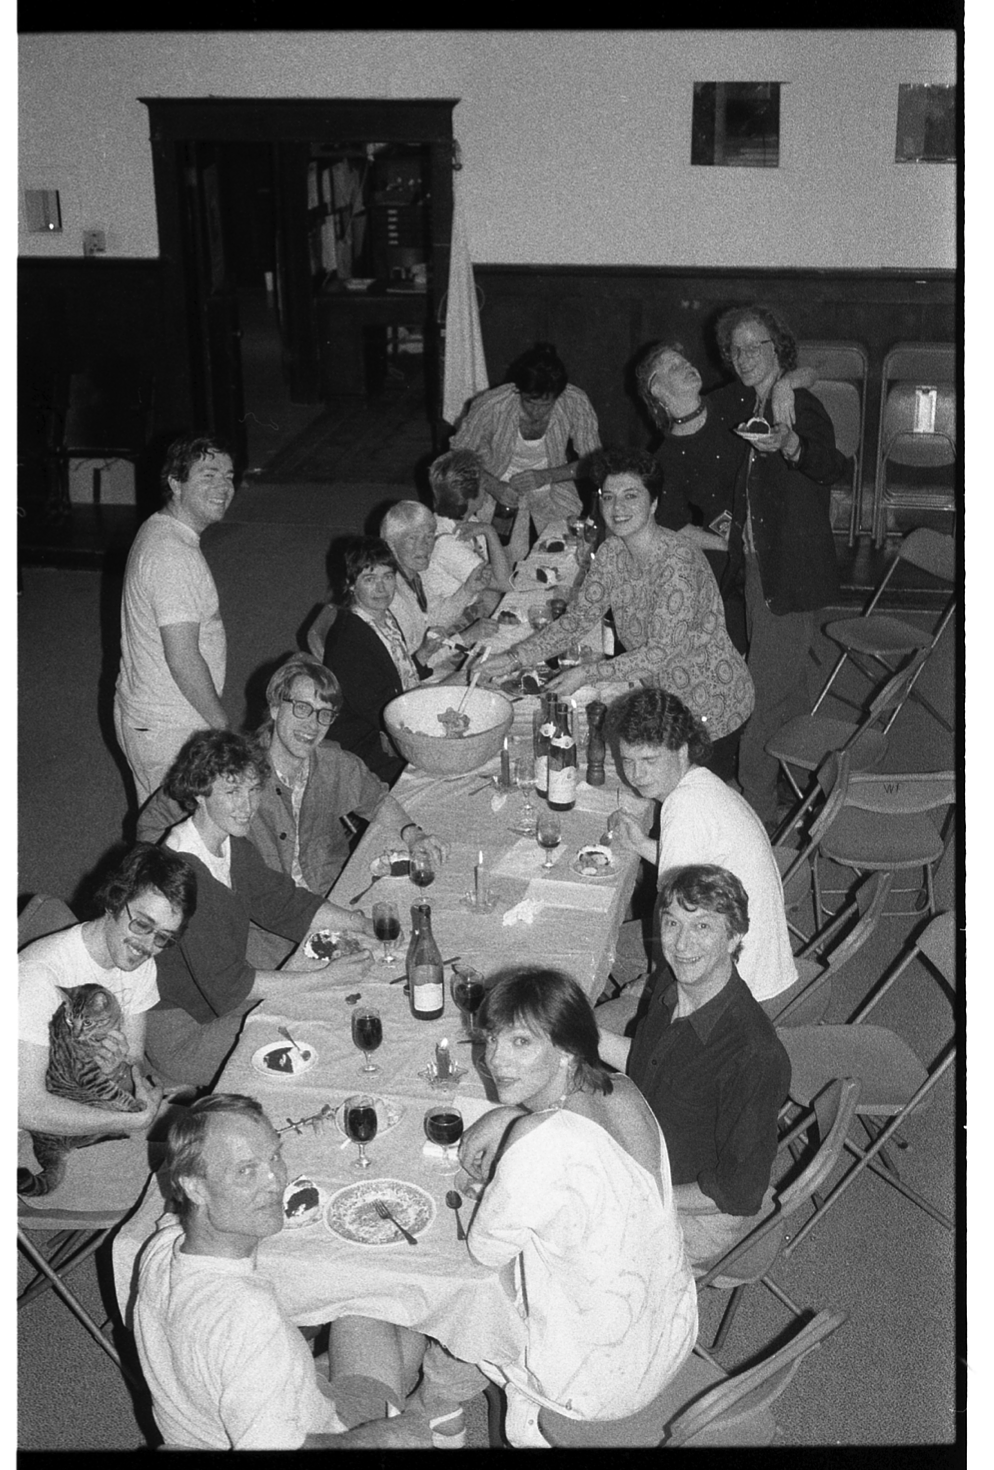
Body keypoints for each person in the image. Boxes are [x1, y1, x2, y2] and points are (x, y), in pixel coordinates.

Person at [458, 967, 697, 1448]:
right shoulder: (624, 1089)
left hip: (596, 1387)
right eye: (492, 1040)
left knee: (460, 1296)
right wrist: (511, 1113)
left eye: (521, 1043)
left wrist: (487, 1179)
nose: (494, 1060)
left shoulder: (538, 1142)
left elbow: (483, 1252)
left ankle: (439, 1411)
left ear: (567, 1049)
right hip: (667, 1336)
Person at [132, 1094, 429, 1450]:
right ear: (195, 1187)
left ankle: (426, 1401)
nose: (275, 1180)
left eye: (273, 1156)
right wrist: (390, 1435)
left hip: (206, 1421)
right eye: (246, 1170)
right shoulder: (248, 1315)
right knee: (403, 1316)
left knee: (374, 1310)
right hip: (311, 1434)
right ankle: (437, 1407)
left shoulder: (162, 1246)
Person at [483, 447, 754, 780]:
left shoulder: (678, 563)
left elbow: (660, 652)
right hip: (668, 699)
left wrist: (588, 673)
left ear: (654, 502)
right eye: (608, 497)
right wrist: (514, 658)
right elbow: (576, 621)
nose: (617, 508)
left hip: (712, 703)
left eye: (630, 496)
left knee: (696, 799)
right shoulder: (612, 552)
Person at [146, 731, 373, 1089]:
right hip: (188, 1032)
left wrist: (363, 924)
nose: (247, 805)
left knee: (324, 1007)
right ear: (200, 795)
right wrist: (327, 977)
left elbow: (283, 902)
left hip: (220, 1003)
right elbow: (229, 985)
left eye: (253, 791)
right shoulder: (182, 876)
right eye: (232, 792)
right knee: (316, 1038)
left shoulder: (230, 844)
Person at [597, 866, 791, 1273]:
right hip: (650, 1148)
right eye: (672, 923)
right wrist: (578, 1034)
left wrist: (646, 1190)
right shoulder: (674, 982)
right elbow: (652, 1062)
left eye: (702, 926)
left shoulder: (754, 1055)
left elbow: (736, 1193)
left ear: (734, 936)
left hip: (696, 1212)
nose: (682, 944)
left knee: (564, 1249)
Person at [138, 654, 447, 897]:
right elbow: (152, 825)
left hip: (332, 896)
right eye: (301, 708)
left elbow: (377, 800)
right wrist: (196, 886)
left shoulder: (334, 764)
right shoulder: (231, 768)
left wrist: (413, 834)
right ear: (275, 707)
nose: (312, 725)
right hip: (265, 924)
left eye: (324, 714)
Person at [714, 305, 848, 827]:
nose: (744, 357)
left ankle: (756, 819)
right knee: (789, 694)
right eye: (736, 349)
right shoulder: (753, 401)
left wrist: (792, 444)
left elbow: (833, 466)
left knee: (759, 700)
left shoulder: (798, 404)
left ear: (778, 350)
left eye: (756, 347)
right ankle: (809, 798)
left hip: (787, 577)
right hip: (758, 570)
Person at [601, 687, 800, 1017]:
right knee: (615, 942)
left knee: (608, 953)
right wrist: (638, 843)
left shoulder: (684, 807)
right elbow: (691, 866)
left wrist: (653, 981)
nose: (636, 775)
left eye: (649, 760)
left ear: (680, 750)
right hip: (761, 960)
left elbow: (675, 918)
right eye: (628, 761)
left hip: (737, 989)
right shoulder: (702, 784)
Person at [18, 844, 197, 1211]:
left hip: (95, 1111)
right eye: (142, 925)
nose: (147, 946)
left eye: (163, 937)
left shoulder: (140, 966)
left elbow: (135, 1060)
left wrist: (121, 1069)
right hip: (32, 1146)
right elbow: (24, 1108)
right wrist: (130, 1118)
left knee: (218, 1129)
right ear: (115, 900)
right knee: (202, 1179)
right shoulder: (39, 975)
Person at [635, 339, 814, 659]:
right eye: (674, 367)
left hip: (778, 530)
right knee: (727, 640)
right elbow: (671, 524)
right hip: (732, 548)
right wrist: (729, 543)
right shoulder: (666, 457)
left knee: (777, 646)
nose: (688, 366)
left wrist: (785, 385)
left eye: (685, 361)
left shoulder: (734, 398)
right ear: (658, 391)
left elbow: (813, 372)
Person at [114, 433, 235, 804]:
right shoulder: (172, 555)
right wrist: (221, 726)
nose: (224, 487)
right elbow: (182, 656)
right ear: (175, 483)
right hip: (170, 726)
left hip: (156, 716)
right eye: (208, 476)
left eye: (229, 477)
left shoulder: (163, 531)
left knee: (165, 835)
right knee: (174, 841)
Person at [450, 341, 599, 562]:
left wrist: (547, 476)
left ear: (559, 395)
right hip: (498, 487)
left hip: (552, 482)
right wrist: (493, 486)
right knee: (505, 556)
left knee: (566, 550)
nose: (537, 412)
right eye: (530, 402)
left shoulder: (575, 401)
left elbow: (594, 462)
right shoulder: (493, 405)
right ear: (518, 390)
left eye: (546, 405)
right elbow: (457, 456)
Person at [320, 536, 424, 783]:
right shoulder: (350, 640)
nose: (382, 588)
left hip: (397, 714)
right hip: (370, 745)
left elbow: (397, 674)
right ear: (351, 584)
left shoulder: (383, 617)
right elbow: (380, 710)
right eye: (369, 579)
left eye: (388, 577)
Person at [423, 448, 513, 606]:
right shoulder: (448, 543)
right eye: (483, 487)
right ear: (468, 497)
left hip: (476, 602)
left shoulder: (466, 519)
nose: (486, 492)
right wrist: (489, 531)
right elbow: (506, 584)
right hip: (456, 619)